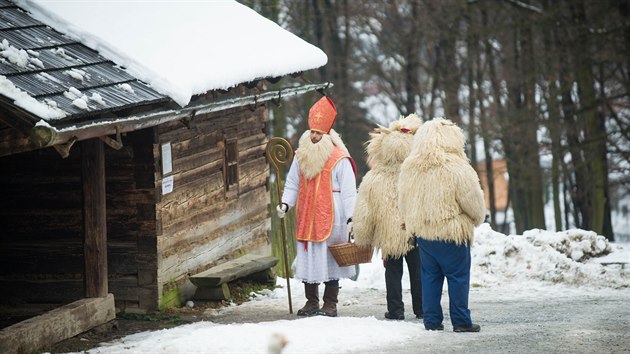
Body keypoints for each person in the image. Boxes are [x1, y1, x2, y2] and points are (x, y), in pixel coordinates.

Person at [397, 117, 485, 332]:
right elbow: (472, 200)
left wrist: (410, 223)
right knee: (458, 278)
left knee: (430, 278)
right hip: (451, 232)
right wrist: (477, 218)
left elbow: (403, 200)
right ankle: (461, 321)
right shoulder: (457, 167)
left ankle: (432, 321)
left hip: (425, 233)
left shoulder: (410, 167)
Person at [276, 96, 357, 317]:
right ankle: (311, 302)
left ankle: (330, 303)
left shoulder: (340, 158)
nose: (313, 136)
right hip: (306, 212)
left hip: (333, 214)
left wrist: (352, 218)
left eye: (318, 133)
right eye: (311, 131)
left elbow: (350, 190)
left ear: (327, 134)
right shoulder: (300, 156)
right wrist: (285, 203)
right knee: (309, 256)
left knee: (330, 257)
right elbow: (293, 182)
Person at [353, 114, 423, 321]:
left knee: (393, 272)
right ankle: (422, 308)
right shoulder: (416, 173)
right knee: (418, 271)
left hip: (389, 234)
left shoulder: (374, 177)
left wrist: (363, 234)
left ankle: (396, 310)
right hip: (414, 231)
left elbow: (364, 209)